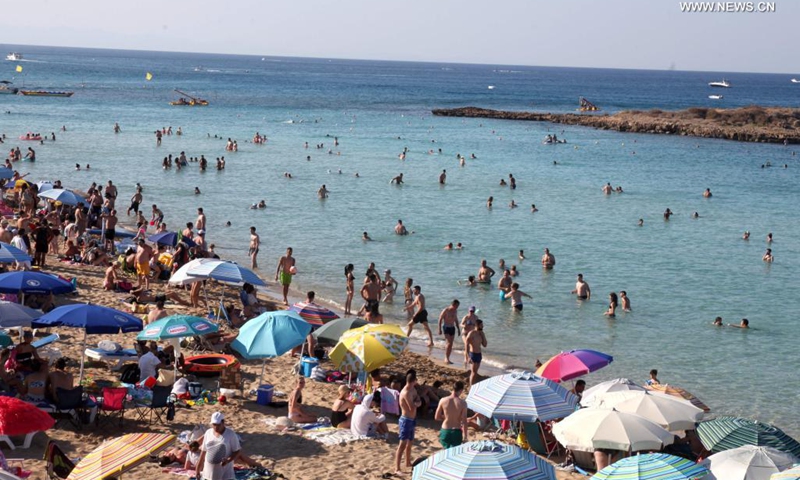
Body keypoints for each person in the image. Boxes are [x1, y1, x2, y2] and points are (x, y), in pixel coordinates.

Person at [196, 412, 241, 480]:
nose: (216, 427)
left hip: (225, 473)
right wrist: (197, 470)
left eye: (218, 425)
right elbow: (203, 452)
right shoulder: (208, 433)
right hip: (208, 473)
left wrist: (228, 460)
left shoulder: (231, 434)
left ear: (223, 422)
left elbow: (237, 451)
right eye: (214, 425)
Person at [395, 372, 421, 475]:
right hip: (405, 420)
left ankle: (407, 462)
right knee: (402, 445)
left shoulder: (413, 389)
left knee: (410, 443)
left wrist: (417, 402)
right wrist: (417, 403)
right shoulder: (406, 392)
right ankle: (397, 468)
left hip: (412, 420)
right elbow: (411, 407)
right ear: (413, 381)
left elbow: (418, 400)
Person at [435, 380, 468, 449]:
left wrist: (446, 417)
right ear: (461, 390)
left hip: (445, 429)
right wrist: (465, 437)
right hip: (456, 431)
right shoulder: (463, 403)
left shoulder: (443, 400)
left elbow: (437, 417)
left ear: (453, 388)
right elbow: (464, 421)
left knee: (445, 452)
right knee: (454, 454)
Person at [465, 319, 487, 386]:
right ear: (477, 325)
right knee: (474, 372)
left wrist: (483, 335)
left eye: (482, 325)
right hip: (473, 354)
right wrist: (467, 357)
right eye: (481, 325)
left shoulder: (481, 333)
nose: (482, 326)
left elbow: (485, 345)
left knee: (475, 372)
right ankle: (471, 386)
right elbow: (466, 344)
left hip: (479, 354)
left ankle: (472, 384)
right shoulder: (472, 333)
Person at [438, 300, 460, 364]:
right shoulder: (446, 310)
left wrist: (458, 329)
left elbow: (456, 320)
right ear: (453, 304)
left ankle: (448, 358)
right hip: (446, 327)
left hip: (452, 328)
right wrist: (439, 329)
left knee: (451, 344)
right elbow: (440, 319)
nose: (457, 307)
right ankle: (446, 358)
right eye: (457, 306)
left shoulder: (455, 311)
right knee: (449, 343)